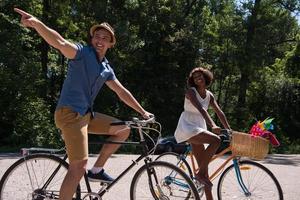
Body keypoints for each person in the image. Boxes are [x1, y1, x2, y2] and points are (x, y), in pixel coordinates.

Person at [14, 8, 153, 200]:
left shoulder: (106, 68)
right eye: (97, 36)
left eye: (105, 37)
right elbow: (60, 42)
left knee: (123, 129)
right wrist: (37, 24)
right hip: (70, 113)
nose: (100, 40)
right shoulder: (82, 53)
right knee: (79, 166)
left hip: (86, 116)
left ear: (111, 44)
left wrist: (143, 112)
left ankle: (97, 170)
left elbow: (121, 92)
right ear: (92, 38)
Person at [174, 66, 231, 200]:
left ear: (206, 77)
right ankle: (199, 174)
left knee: (205, 176)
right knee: (216, 140)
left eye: (200, 76)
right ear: (192, 80)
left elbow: (219, 112)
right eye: (195, 77)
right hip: (187, 126)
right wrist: (213, 125)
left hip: (199, 126)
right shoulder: (191, 92)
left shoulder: (209, 95)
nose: (197, 78)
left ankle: (201, 176)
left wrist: (229, 129)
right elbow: (201, 109)